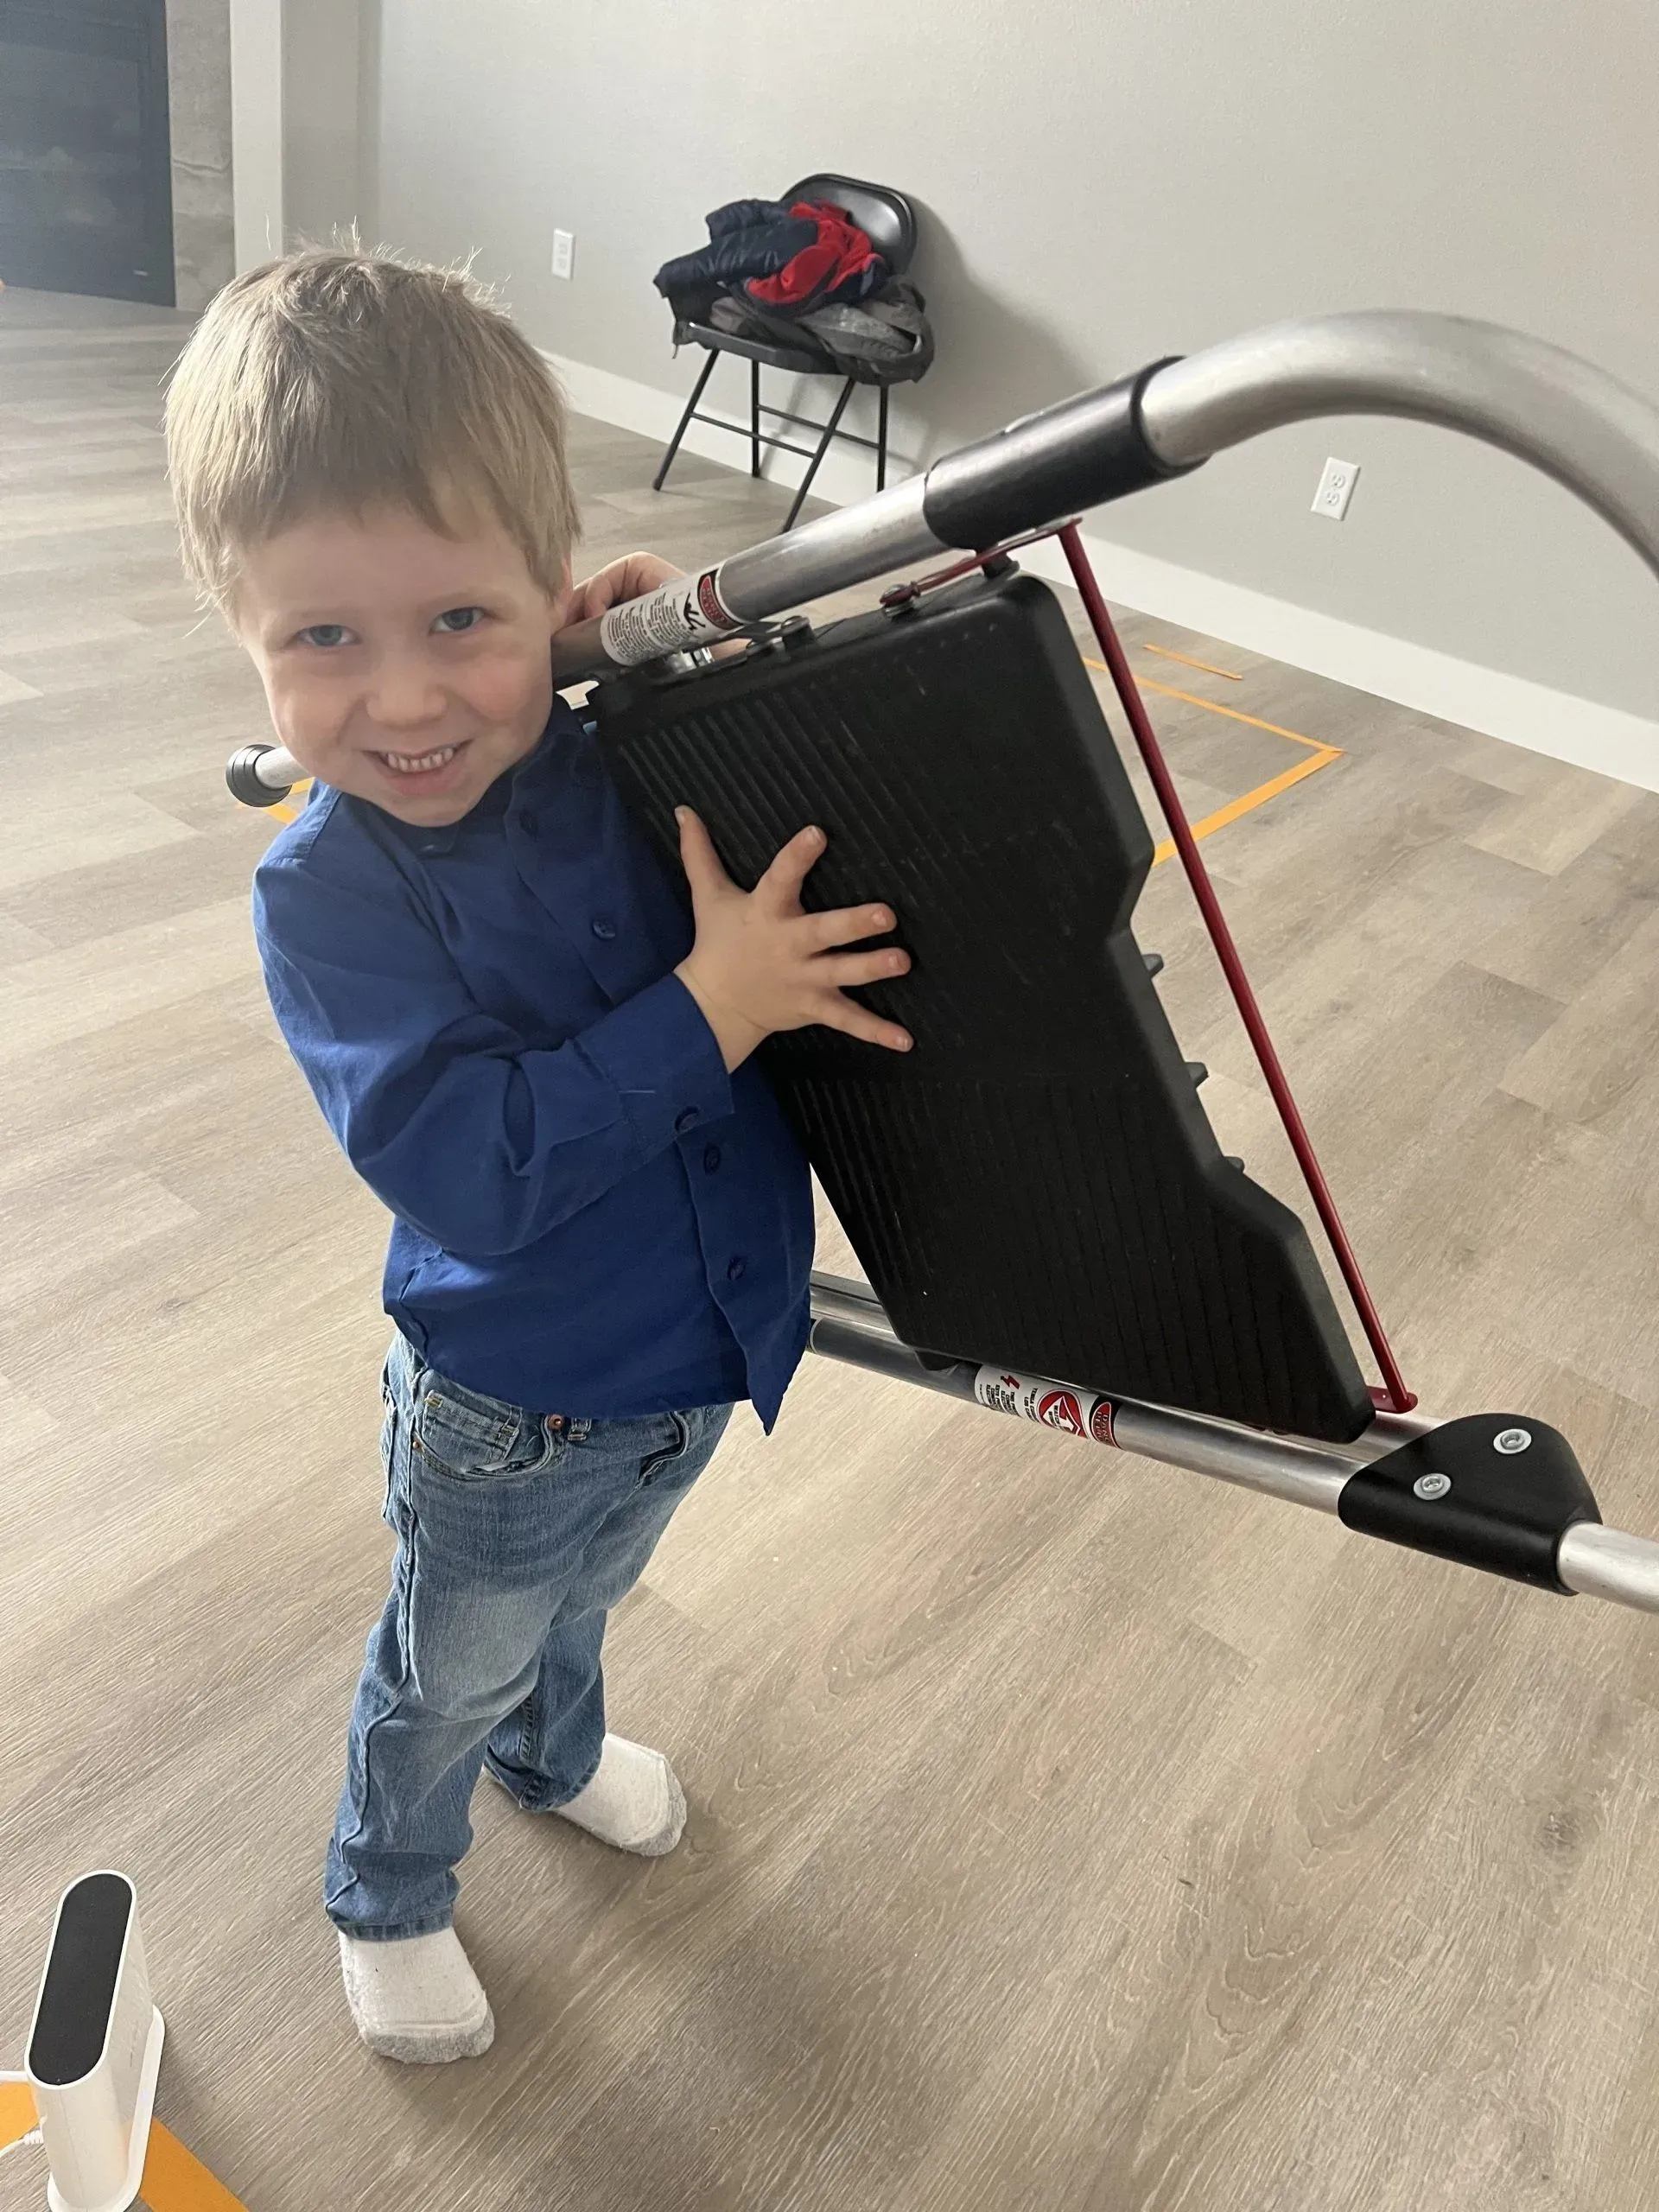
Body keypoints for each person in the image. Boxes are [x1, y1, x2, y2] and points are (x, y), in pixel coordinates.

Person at [164, 247, 912, 2063]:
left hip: (692, 1360)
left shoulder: (591, 751)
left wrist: (658, 662)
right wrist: (711, 1008)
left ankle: (554, 1755)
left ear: (551, 596)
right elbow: (478, 1168)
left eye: (462, 624)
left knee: (589, 1604)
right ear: (245, 641)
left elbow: (685, 732)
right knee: (447, 1662)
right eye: (322, 641)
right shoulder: (327, 893)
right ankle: (388, 1882)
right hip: (513, 1399)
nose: (408, 702)